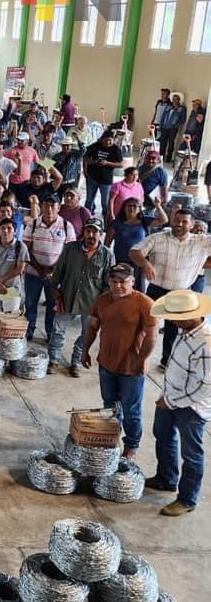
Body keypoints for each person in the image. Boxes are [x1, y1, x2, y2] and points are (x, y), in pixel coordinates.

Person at [81, 263, 158, 459]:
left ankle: (131, 445)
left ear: (133, 281)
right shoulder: (102, 300)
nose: (118, 285)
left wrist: (142, 360)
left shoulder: (145, 303)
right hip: (106, 363)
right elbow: (92, 327)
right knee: (110, 405)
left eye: (123, 282)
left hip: (132, 367)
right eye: (114, 281)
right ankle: (111, 437)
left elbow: (152, 337)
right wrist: (85, 350)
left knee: (131, 410)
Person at [145, 289, 211, 516]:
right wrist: (167, 396)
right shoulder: (185, 331)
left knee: (191, 454)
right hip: (170, 397)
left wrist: (172, 401)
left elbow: (204, 388)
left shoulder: (206, 344)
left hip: (191, 408)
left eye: (175, 317)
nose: (172, 321)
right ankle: (166, 478)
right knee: (162, 435)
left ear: (192, 315)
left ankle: (187, 499)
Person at [130, 207, 211, 369]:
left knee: (173, 330)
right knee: (143, 324)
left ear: (192, 224)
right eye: (176, 220)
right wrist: (146, 264)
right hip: (156, 290)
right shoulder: (157, 238)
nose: (179, 224)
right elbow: (134, 251)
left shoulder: (201, 242)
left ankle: (166, 362)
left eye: (184, 222)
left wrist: (206, 264)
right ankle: (135, 356)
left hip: (181, 293)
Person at [49, 216, 113, 377]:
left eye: (95, 232)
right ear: (83, 232)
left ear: (101, 234)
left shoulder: (107, 255)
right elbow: (58, 271)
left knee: (87, 334)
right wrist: (56, 291)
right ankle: (54, 360)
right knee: (57, 330)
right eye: (88, 231)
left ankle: (76, 361)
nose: (91, 235)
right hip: (67, 297)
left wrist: (102, 306)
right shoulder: (70, 248)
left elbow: (108, 283)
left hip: (92, 303)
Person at [23, 194, 76, 342]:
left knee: (53, 305)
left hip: (56, 276)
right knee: (30, 303)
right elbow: (25, 249)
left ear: (59, 208)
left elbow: (69, 253)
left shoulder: (67, 226)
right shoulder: (33, 224)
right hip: (33, 273)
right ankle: (28, 331)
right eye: (46, 205)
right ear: (41, 207)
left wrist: (51, 269)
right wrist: (40, 269)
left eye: (53, 205)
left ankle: (50, 333)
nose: (49, 209)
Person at [106, 197, 167, 289]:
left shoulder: (144, 221)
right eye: (129, 206)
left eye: (135, 206)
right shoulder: (116, 223)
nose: (132, 208)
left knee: (139, 287)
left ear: (140, 209)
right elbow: (107, 243)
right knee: (121, 286)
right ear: (124, 208)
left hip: (139, 261)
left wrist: (158, 206)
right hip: (121, 261)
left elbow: (163, 220)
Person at [0, 217, 29, 297]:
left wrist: (1, 280)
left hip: (11, 288)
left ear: (15, 231)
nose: (5, 231)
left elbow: (19, 269)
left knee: (10, 305)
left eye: (9, 228)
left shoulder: (20, 247)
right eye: (3, 228)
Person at [83, 131, 124, 215]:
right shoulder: (94, 146)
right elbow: (85, 159)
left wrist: (107, 163)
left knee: (105, 201)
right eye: (106, 140)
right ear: (102, 140)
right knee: (89, 199)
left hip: (106, 179)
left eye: (110, 140)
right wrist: (93, 163)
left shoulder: (116, 149)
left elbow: (121, 164)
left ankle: (106, 217)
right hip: (92, 176)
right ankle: (87, 216)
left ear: (113, 140)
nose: (108, 142)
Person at [159, 93, 186, 163]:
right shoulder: (168, 106)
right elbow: (163, 116)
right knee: (163, 142)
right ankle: (161, 157)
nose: (174, 100)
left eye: (176, 99)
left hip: (173, 129)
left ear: (179, 100)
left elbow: (182, 120)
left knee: (171, 143)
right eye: (173, 99)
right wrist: (161, 125)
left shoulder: (182, 108)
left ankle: (168, 158)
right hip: (164, 127)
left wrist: (175, 125)